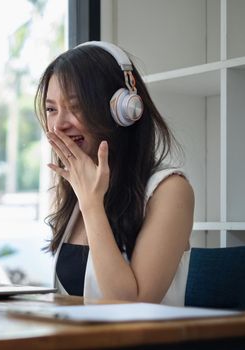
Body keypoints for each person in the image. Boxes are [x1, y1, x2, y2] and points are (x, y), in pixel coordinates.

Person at [35, 41, 194, 306]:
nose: (59, 124)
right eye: (52, 109)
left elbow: (130, 306)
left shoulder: (170, 190)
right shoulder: (77, 187)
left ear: (123, 110)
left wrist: (91, 204)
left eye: (75, 106)